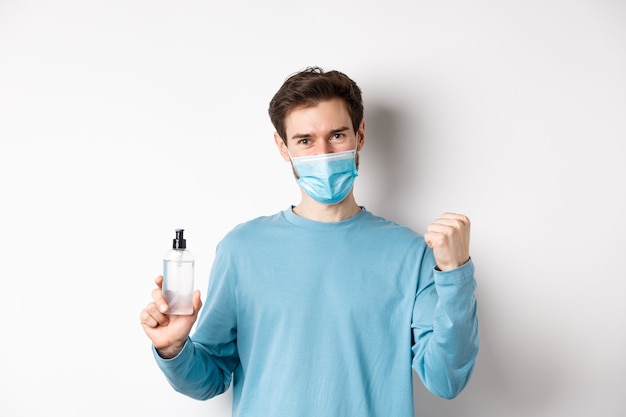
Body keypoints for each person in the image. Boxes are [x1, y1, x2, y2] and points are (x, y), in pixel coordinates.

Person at [140, 66, 479, 416]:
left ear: (360, 135)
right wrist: (174, 349)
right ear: (282, 147)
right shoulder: (242, 249)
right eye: (305, 141)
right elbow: (209, 378)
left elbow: (446, 380)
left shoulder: (411, 254)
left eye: (337, 136)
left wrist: (455, 275)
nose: (323, 153)